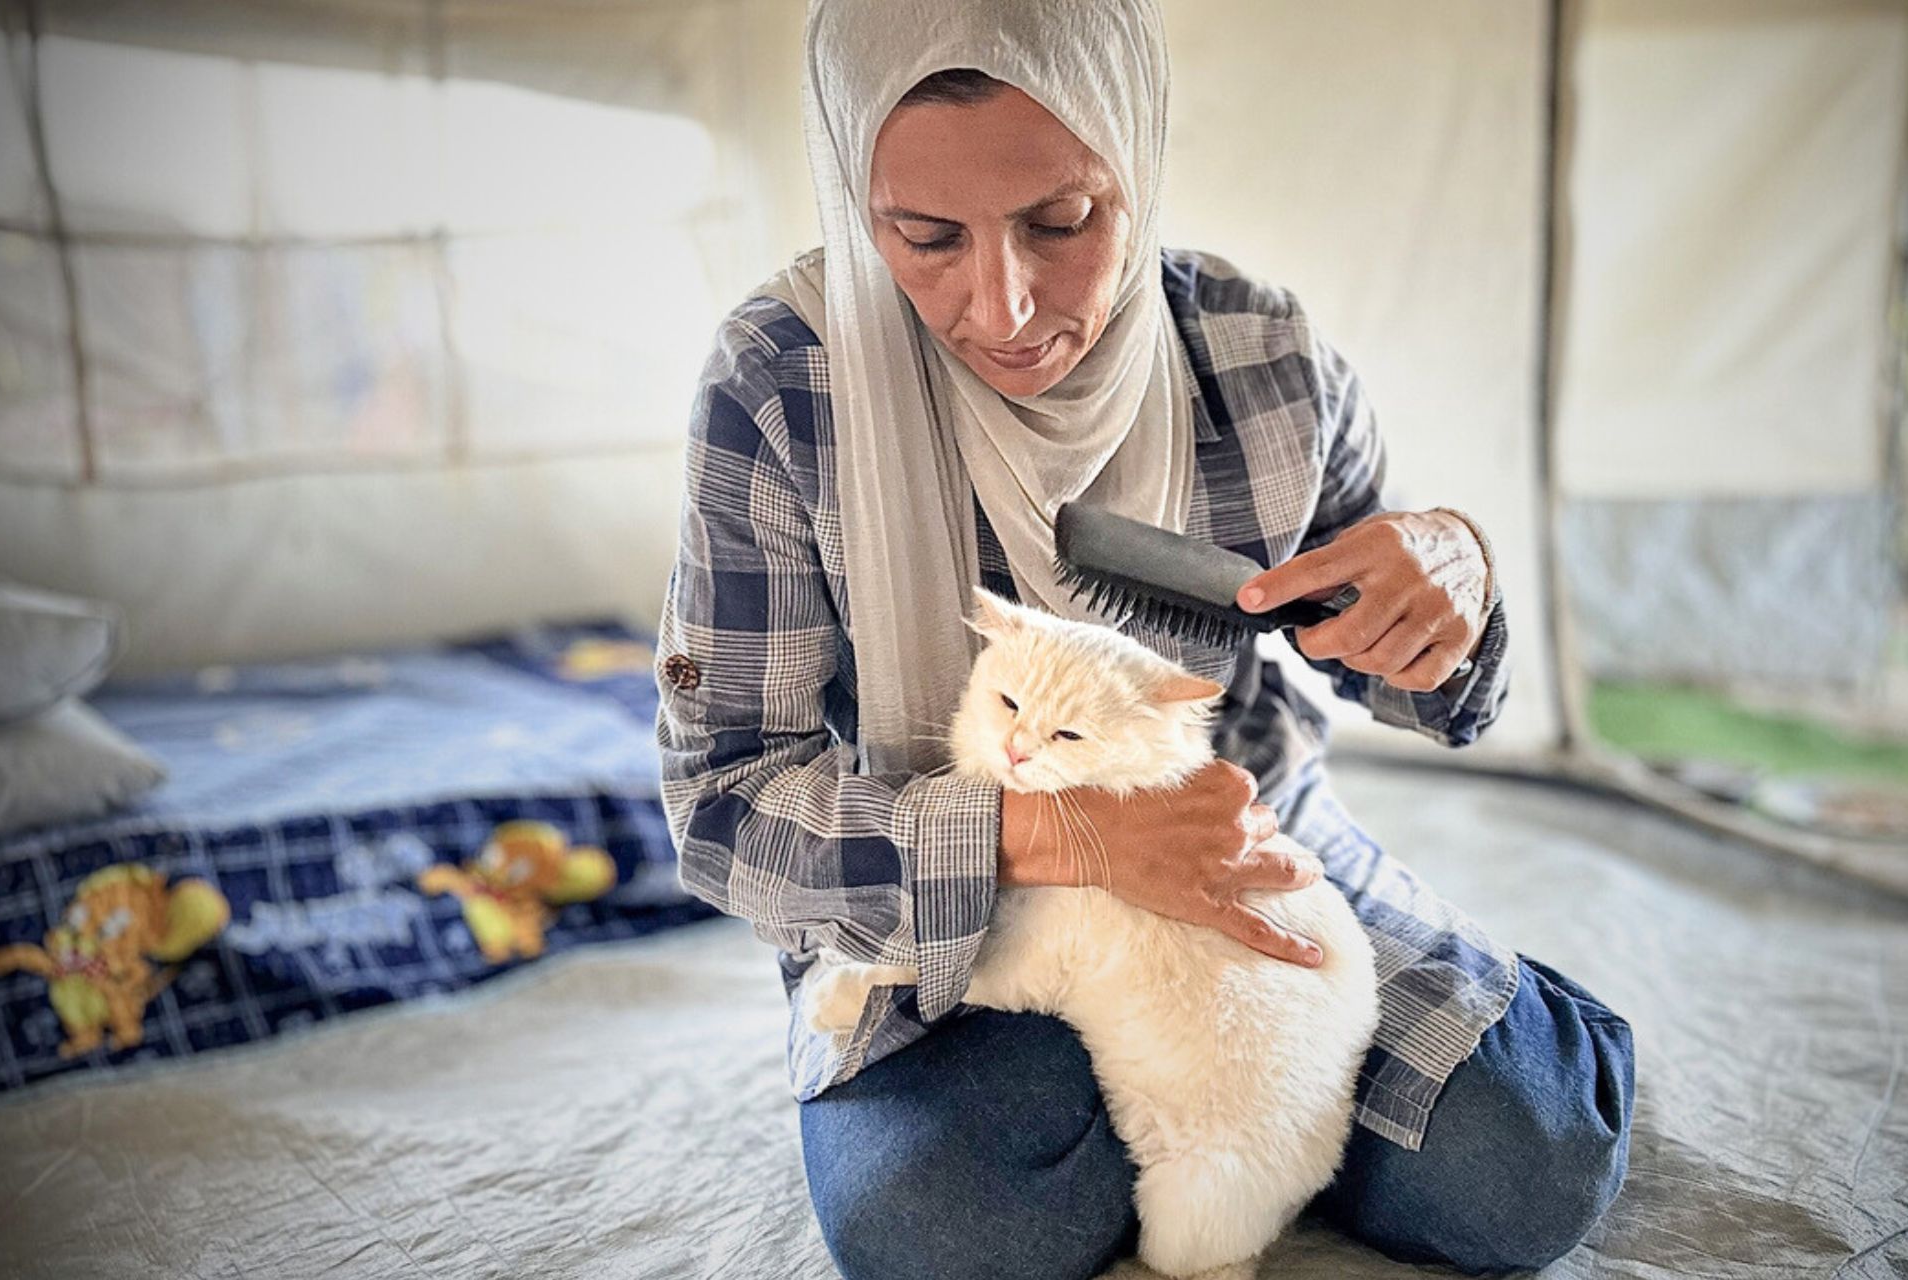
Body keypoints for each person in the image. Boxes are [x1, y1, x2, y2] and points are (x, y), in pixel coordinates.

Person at [654, 2, 1633, 1275]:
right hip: (932, 893)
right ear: (853, 195)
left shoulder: (1259, 355)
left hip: (1236, 843)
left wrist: (1453, 569)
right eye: (923, 235)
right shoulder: (780, 387)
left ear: (1139, 152)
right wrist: (1061, 837)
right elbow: (724, 805)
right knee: (946, 1236)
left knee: (1528, 1160)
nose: (1000, 303)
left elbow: (1422, 684)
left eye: (1063, 223)